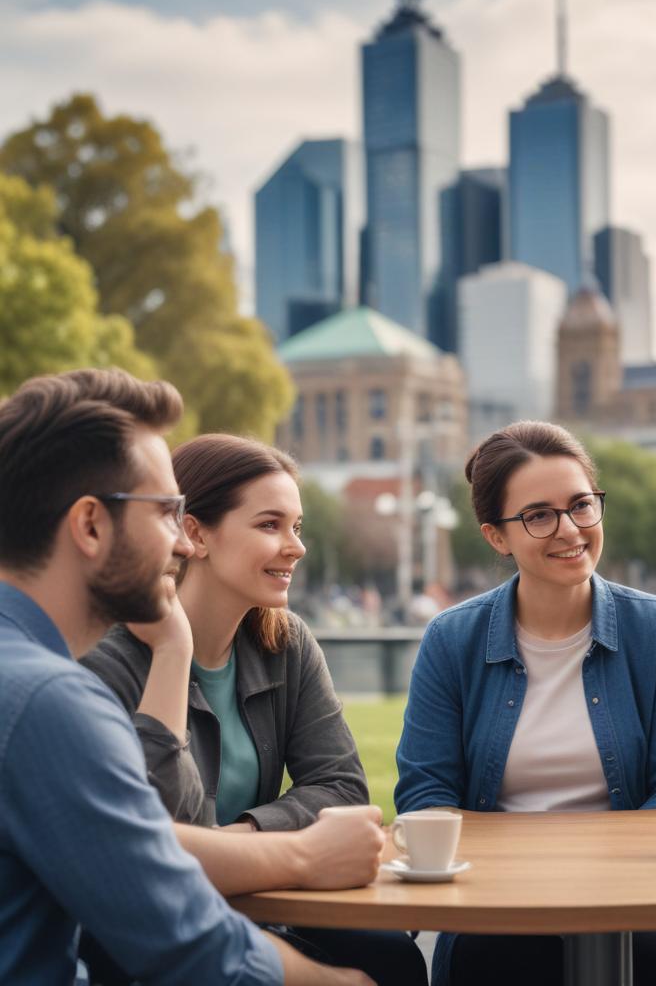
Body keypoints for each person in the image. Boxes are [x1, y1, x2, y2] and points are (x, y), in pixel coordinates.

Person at [0, 368, 382, 986]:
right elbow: (181, 935)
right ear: (91, 524)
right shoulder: (49, 700)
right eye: (166, 513)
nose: (179, 543)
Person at [81, 433, 428, 986]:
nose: (296, 546)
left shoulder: (286, 643)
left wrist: (240, 839)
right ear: (194, 532)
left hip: (258, 903)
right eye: (270, 525)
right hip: (146, 936)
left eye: (297, 526)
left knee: (391, 958)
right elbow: (162, 838)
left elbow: (341, 787)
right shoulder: (109, 659)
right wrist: (174, 653)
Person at [395, 420, 656, 986]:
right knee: (490, 965)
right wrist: (532, 874)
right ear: (497, 536)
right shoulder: (452, 640)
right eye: (539, 515)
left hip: (639, 894)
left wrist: (588, 874)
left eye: (582, 505)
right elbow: (426, 794)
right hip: (498, 899)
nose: (570, 529)